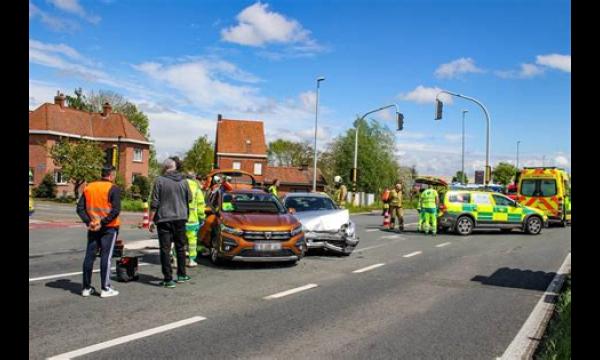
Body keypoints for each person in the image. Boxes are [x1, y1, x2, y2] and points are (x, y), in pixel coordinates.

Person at [77, 166, 121, 298]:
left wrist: (88, 221)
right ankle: (105, 288)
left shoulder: (89, 187)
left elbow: (80, 208)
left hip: (93, 226)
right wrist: (103, 222)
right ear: (111, 175)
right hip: (109, 227)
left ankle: (86, 287)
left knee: (89, 256)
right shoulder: (113, 188)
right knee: (106, 257)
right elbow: (116, 210)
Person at [148, 158, 192, 288]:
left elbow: (155, 202)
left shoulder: (159, 181)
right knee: (180, 247)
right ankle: (182, 274)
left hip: (164, 218)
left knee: (165, 249)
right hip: (180, 218)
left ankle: (168, 279)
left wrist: (151, 220)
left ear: (165, 168)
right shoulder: (184, 181)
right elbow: (189, 198)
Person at [184, 171, 206, 267]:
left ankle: (175, 259)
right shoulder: (197, 190)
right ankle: (191, 260)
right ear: (194, 178)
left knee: (179, 240)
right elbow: (201, 206)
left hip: (180, 219)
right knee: (192, 241)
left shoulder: (180, 187)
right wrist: (202, 217)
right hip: (192, 220)